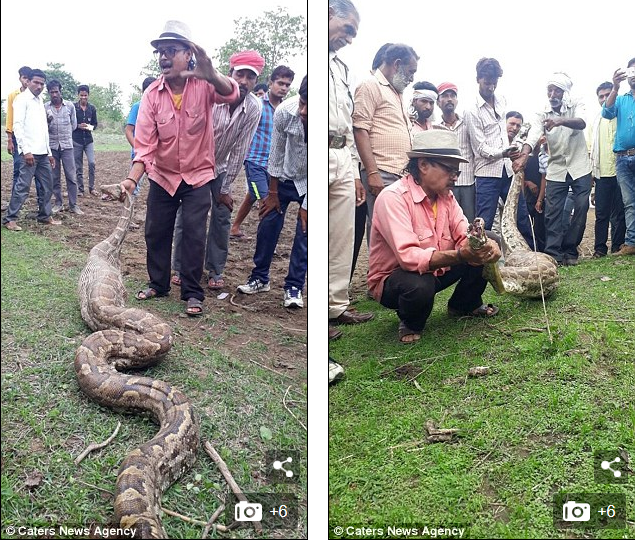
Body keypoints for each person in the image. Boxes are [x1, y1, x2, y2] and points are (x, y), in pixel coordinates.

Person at [119, 20, 240, 316]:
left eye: (171, 50)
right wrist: (132, 180)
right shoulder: (151, 96)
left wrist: (211, 73)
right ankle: (158, 284)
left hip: (198, 176)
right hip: (163, 175)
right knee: (155, 231)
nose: (163, 57)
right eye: (160, 51)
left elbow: (231, 94)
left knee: (194, 236)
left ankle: (192, 292)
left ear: (188, 54)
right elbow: (144, 145)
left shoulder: (204, 85)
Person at [368, 130, 501, 343]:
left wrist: (485, 246)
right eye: (449, 170)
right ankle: (411, 322)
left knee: (488, 239)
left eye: (457, 172)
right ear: (423, 165)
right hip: (396, 279)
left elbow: (463, 234)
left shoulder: (446, 198)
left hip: (437, 270)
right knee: (418, 284)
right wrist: (461, 255)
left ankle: (464, 304)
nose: (455, 177)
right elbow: (409, 258)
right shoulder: (393, 198)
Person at [173, 50, 264, 289]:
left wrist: (225, 188)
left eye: (250, 77)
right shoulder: (210, 96)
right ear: (229, 74)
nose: (244, 81)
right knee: (189, 215)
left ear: (255, 81)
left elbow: (240, 149)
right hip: (194, 164)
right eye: (239, 74)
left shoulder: (254, 108)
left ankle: (215, 270)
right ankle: (179, 267)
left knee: (222, 215)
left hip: (221, 166)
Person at [328, 0, 372, 384]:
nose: (351, 36)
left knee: (343, 237)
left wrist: (358, 171)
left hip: (342, 156)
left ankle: (337, 306)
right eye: (348, 27)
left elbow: (349, 123)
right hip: (317, 153)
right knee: (317, 237)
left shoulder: (342, 67)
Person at [237, 75, 308, 310]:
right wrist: (273, 192)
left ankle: (294, 287)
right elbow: (276, 154)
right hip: (284, 177)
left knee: (305, 233)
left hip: (312, 181)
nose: (304, 111)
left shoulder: (331, 122)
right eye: (302, 102)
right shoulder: (286, 113)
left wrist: (308, 207)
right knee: (268, 222)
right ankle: (259, 278)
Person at [522, 72, 592, 266]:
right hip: (556, 168)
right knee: (552, 212)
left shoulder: (577, 103)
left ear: (566, 93)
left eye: (557, 91)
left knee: (581, 206)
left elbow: (582, 122)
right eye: (549, 90)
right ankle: (554, 254)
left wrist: (560, 121)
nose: (552, 95)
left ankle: (570, 249)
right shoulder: (542, 112)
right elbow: (534, 132)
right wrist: (524, 153)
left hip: (580, 167)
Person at [463, 58, 534, 246]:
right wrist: (503, 152)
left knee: (521, 216)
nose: (491, 87)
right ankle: (482, 266)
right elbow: (480, 147)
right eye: (487, 82)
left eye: (494, 82)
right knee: (484, 221)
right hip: (487, 173)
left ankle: (532, 258)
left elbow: (502, 134)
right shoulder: (471, 110)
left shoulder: (502, 101)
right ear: (478, 79)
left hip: (508, 170)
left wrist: (511, 151)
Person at [353, 43, 419, 241]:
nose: (412, 78)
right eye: (410, 71)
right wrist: (372, 173)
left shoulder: (397, 93)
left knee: (396, 229)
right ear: (397, 64)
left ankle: (392, 272)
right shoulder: (370, 85)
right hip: (381, 171)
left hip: (399, 173)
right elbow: (360, 129)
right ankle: (380, 273)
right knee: (382, 229)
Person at [229, 65, 295, 238]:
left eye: (287, 85)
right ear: (270, 82)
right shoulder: (256, 105)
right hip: (254, 163)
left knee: (252, 194)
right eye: (280, 83)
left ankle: (235, 227)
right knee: (264, 200)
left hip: (274, 167)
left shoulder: (287, 110)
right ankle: (264, 241)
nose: (283, 88)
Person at [3, 69, 61, 230]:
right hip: (29, 153)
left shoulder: (40, 100)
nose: (39, 86)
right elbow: (18, 126)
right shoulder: (21, 100)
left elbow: (43, 129)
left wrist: (49, 153)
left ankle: (44, 216)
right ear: (28, 82)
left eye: (42, 84)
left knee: (48, 185)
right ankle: (10, 219)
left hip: (42, 153)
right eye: (36, 82)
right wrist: (25, 150)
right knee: (23, 187)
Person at [601, 58, 635, 256]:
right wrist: (615, 87)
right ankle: (631, 243)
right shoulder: (621, 99)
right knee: (629, 202)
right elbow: (606, 112)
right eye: (631, 72)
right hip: (622, 158)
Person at [589, 81, 625, 257]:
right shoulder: (594, 122)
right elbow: (590, 150)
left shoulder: (623, 116)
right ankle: (599, 249)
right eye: (601, 96)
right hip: (602, 173)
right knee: (601, 214)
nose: (604, 99)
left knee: (620, 212)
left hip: (622, 171)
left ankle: (618, 246)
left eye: (607, 95)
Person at [434, 82, 476, 222]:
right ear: (438, 102)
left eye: (452, 95)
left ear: (457, 100)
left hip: (468, 182)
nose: (449, 99)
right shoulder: (434, 127)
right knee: (445, 221)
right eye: (445, 96)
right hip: (445, 183)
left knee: (468, 222)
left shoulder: (467, 123)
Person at [45, 79, 83, 215]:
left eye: (56, 91)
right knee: (54, 176)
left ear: (60, 91)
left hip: (67, 146)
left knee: (71, 176)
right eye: (51, 92)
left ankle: (73, 205)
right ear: (49, 93)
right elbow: (44, 128)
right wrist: (48, 122)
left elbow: (73, 125)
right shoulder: (45, 107)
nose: (54, 95)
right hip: (52, 147)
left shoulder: (70, 107)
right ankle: (58, 203)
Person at [5, 66, 32, 189]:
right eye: (24, 78)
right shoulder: (13, 96)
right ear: (20, 78)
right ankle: (14, 200)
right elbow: (10, 117)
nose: (26, 81)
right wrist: (10, 139)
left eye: (28, 78)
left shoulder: (35, 96)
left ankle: (40, 202)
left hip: (32, 137)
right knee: (17, 166)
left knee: (36, 170)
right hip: (17, 137)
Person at [73, 85, 98, 196]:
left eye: (85, 95)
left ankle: (91, 188)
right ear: (78, 95)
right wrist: (78, 126)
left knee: (92, 163)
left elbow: (95, 125)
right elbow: (70, 123)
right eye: (81, 95)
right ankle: (80, 189)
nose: (83, 97)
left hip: (88, 140)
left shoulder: (92, 108)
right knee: (78, 166)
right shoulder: (73, 107)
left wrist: (88, 127)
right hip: (76, 140)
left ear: (88, 95)